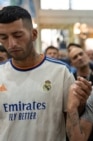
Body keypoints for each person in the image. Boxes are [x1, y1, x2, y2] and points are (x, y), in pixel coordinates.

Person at [0, 6, 76, 141]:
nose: (11, 44)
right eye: (4, 37)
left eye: (18, 35)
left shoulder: (60, 72)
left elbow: (72, 120)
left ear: (34, 34)